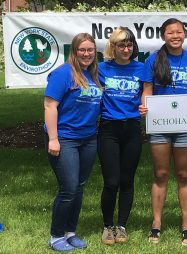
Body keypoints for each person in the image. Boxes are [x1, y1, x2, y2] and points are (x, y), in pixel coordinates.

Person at [139, 18, 187, 246]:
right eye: (171, 33)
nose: (175, 36)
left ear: (184, 35)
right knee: (160, 174)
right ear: (163, 36)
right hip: (159, 124)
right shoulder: (152, 60)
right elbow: (147, 91)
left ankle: (186, 227)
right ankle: (156, 224)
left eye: (179, 32)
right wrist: (144, 106)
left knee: (184, 175)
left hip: (185, 125)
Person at [44, 33, 102, 252]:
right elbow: (50, 106)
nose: (86, 54)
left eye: (90, 50)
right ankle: (56, 236)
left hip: (88, 138)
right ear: (74, 51)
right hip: (64, 138)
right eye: (82, 50)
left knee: (78, 187)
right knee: (68, 188)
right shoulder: (63, 74)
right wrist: (53, 138)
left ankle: (70, 232)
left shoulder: (95, 74)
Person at [97, 27, 144, 245]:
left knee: (127, 180)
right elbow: (77, 77)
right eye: (121, 45)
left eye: (129, 45)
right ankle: (107, 226)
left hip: (133, 129)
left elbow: (157, 89)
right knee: (111, 182)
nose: (126, 49)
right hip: (109, 130)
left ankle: (122, 226)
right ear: (112, 47)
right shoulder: (101, 69)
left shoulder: (142, 69)